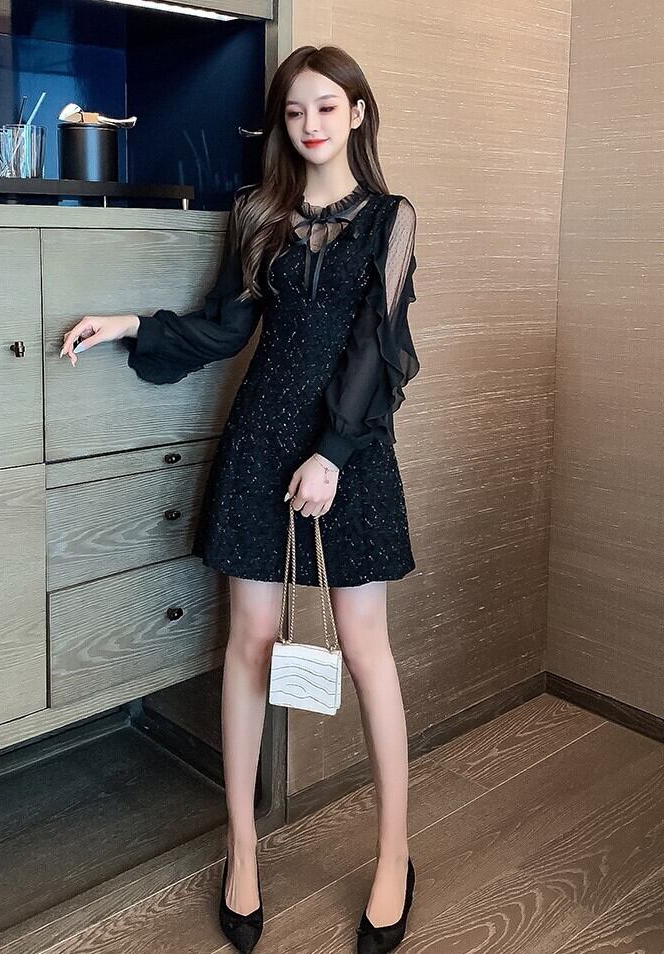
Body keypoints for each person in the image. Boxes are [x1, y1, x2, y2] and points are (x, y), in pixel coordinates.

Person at [59, 43, 420, 954]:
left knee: (367, 649)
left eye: (326, 108)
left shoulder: (391, 218)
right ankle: (244, 848)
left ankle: (395, 854)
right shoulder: (259, 213)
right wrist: (129, 324)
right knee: (249, 642)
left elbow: (377, 348)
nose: (310, 126)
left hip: (349, 451)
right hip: (260, 441)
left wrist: (332, 453)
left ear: (357, 113)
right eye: (294, 112)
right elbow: (226, 325)